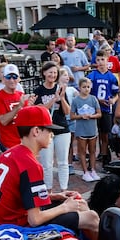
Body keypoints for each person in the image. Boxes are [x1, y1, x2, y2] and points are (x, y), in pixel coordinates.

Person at [0, 105, 97, 238]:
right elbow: (35, 219)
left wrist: (53, 196)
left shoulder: (10, 154)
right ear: (36, 131)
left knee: (80, 203)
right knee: (92, 218)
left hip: (5, 221)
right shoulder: (30, 164)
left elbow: (19, 196)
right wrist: (65, 207)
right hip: (18, 228)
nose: (52, 134)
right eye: (49, 130)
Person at [33, 63, 73, 192]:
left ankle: (64, 190)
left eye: (55, 73)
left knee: (63, 162)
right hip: (45, 130)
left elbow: (67, 112)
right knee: (47, 164)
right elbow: (40, 110)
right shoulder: (38, 90)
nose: (53, 75)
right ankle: (48, 191)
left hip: (62, 129)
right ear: (44, 73)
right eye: (50, 72)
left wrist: (61, 99)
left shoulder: (60, 88)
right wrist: (52, 100)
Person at [70, 82, 102, 182]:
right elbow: (72, 116)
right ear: (79, 88)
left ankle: (92, 169)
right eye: (84, 87)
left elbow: (99, 114)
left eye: (88, 87)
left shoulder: (93, 99)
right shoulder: (76, 100)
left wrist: (91, 116)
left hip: (92, 129)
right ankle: (85, 172)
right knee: (82, 151)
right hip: (81, 130)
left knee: (92, 151)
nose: (86, 89)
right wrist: (81, 116)